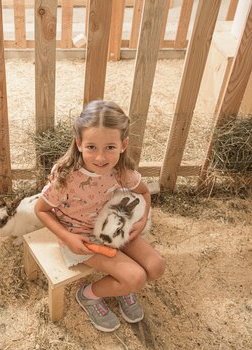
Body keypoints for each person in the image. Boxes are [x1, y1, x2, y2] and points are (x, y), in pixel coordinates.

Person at [35, 100, 165, 332]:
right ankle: (88, 295)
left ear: (123, 145)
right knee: (136, 278)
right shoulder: (66, 177)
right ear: (79, 143)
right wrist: (68, 238)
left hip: (114, 227)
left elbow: (144, 193)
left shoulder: (122, 172)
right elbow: (41, 210)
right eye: (92, 147)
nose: (100, 157)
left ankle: (120, 286)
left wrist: (142, 220)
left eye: (110, 147)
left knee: (156, 267)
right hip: (82, 238)